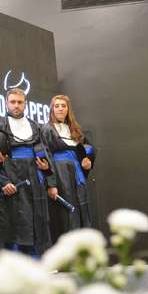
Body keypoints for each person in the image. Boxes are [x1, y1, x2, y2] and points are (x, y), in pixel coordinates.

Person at [0, 89, 53, 257]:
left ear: (25, 104)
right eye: (12, 102)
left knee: (33, 218)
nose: (16, 105)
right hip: (11, 174)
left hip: (33, 176)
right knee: (11, 219)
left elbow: (45, 154)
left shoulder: (35, 126)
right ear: (6, 104)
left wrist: (45, 167)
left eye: (20, 102)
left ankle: (33, 256)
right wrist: (3, 182)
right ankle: (11, 261)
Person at [42, 94, 96, 240]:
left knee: (82, 210)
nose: (60, 109)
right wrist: (51, 185)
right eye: (56, 106)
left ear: (68, 109)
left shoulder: (75, 131)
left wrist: (87, 165)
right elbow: (46, 158)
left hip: (77, 175)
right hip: (60, 175)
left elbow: (84, 153)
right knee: (65, 215)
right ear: (52, 109)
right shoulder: (47, 130)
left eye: (63, 106)